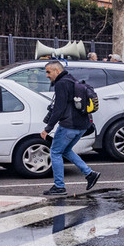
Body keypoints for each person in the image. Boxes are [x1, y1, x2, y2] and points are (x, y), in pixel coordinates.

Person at [39, 61, 101, 195]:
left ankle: (59, 186)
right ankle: (90, 174)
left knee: (55, 152)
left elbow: (59, 109)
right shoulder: (72, 80)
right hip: (82, 125)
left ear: (57, 71)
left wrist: (48, 128)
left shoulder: (61, 84)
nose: (47, 75)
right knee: (66, 150)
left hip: (69, 126)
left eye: (48, 72)